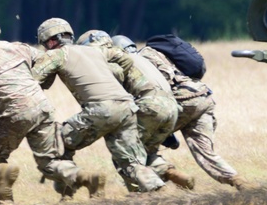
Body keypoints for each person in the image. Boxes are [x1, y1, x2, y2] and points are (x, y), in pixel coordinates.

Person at [0, 13, 104, 201]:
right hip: (43, 107)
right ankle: (87, 178)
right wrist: (38, 85)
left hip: (15, 110)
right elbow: (48, 62)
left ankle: (4, 199)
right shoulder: (19, 47)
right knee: (49, 162)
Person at [33, 18, 165, 194]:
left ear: (50, 41)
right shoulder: (95, 51)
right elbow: (125, 60)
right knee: (130, 161)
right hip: (126, 107)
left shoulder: (56, 54)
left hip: (100, 110)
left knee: (58, 142)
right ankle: (155, 188)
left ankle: (70, 190)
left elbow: (33, 80)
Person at [124, 36, 251, 190]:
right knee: (206, 153)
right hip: (202, 96)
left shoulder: (134, 61)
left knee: (137, 148)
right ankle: (240, 182)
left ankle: (164, 175)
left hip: (180, 101)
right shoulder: (156, 51)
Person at [77, 30, 190, 190]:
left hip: (149, 107)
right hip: (172, 109)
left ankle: (144, 192)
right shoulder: (140, 58)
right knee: (146, 153)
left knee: (124, 155)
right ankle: (172, 173)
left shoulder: (111, 62)